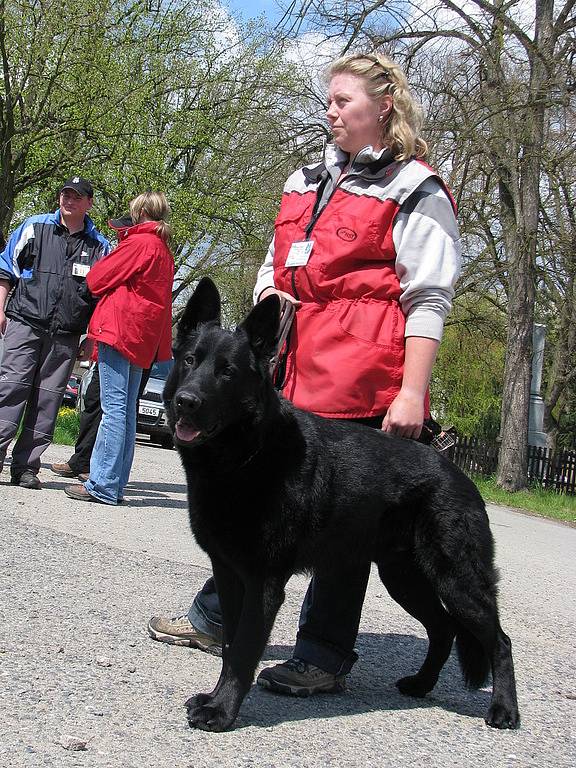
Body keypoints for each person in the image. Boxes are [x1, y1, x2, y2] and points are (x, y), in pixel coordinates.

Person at [148, 52, 462, 695]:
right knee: (250, 496)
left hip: (359, 377)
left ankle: (321, 655)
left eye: (344, 101)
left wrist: (412, 391)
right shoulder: (305, 179)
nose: (330, 111)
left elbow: (427, 297)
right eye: (328, 100)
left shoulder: (414, 189)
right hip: (286, 372)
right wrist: (263, 313)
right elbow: (275, 263)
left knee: (341, 520)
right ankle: (218, 617)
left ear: (385, 108)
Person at [64, 194, 174, 505]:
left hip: (120, 331)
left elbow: (97, 279)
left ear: (139, 212)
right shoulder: (163, 250)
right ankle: (114, 483)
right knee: (124, 412)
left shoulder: (139, 243)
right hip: (143, 338)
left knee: (113, 411)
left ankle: (102, 484)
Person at [0, 177, 110, 489]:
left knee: (46, 403)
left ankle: (25, 467)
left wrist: (93, 337)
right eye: (65, 194)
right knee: (10, 391)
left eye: (77, 197)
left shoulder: (99, 246)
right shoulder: (34, 228)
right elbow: (6, 269)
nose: (69, 200)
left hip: (65, 336)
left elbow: (101, 297)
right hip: (24, 323)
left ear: (89, 203)